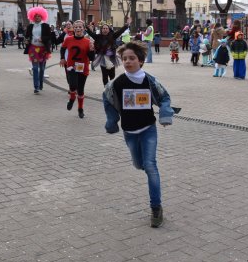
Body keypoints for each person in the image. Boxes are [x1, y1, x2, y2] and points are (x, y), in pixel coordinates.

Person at [102, 41, 174, 228]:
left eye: (132, 58)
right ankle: (142, 165)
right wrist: (111, 121)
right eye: (124, 59)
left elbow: (164, 97)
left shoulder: (149, 81)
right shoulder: (116, 84)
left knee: (150, 166)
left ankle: (156, 208)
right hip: (129, 132)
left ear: (141, 61)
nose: (127, 61)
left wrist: (165, 114)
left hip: (148, 129)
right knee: (138, 164)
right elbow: (107, 100)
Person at [61, 20, 95, 118]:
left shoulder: (88, 42)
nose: (78, 29)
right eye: (76, 27)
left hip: (83, 68)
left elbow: (92, 58)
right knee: (72, 85)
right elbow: (63, 48)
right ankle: (72, 99)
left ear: (84, 29)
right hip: (71, 66)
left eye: (80, 27)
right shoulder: (68, 39)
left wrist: (92, 50)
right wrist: (62, 58)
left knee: (80, 90)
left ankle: (80, 109)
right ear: (73, 28)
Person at [86, 18, 131, 86]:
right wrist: (86, 27)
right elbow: (91, 34)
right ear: (101, 29)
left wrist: (126, 25)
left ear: (109, 29)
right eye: (103, 28)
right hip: (102, 58)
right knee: (104, 75)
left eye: (106, 28)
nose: (105, 29)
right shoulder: (98, 37)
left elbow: (120, 31)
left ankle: (112, 88)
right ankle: (106, 88)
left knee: (112, 75)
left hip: (112, 58)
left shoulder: (113, 36)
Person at [25, 6, 53, 94]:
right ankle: (36, 87)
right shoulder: (30, 26)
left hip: (43, 49)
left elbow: (49, 37)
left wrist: (43, 39)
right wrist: (26, 40)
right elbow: (27, 36)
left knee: (41, 68)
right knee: (35, 68)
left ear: (42, 16)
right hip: (33, 48)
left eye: (39, 16)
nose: (37, 17)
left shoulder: (45, 26)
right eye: (35, 16)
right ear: (32, 16)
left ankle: (40, 84)